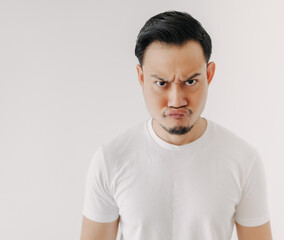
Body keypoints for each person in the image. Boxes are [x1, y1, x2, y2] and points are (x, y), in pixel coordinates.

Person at [80, 10, 273, 240]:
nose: (176, 100)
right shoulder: (110, 160)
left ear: (209, 75)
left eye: (190, 81)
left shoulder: (243, 160)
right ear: (141, 78)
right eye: (161, 83)